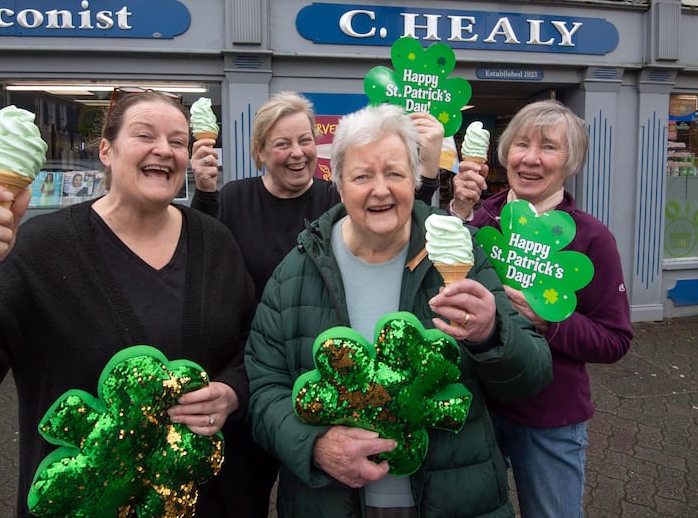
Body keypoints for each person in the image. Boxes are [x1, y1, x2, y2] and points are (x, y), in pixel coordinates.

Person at [0, 91, 259, 517]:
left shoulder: (214, 241)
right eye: (145, 134)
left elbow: (251, 347)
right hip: (78, 502)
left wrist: (233, 391)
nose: (164, 149)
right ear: (106, 150)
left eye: (178, 141)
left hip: (204, 500)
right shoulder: (40, 250)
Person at [244, 103, 554, 517]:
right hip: (330, 502)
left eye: (395, 173)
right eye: (362, 176)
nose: (381, 189)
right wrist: (314, 445)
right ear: (337, 183)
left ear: (415, 178)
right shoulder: (296, 271)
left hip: (455, 500)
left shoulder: (458, 253)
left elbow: (532, 376)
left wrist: (492, 333)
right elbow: (264, 389)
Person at [449, 99, 633, 517]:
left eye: (548, 147)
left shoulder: (591, 238)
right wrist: (459, 210)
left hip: (550, 416)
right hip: (476, 405)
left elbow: (615, 340)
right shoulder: (481, 221)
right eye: (520, 144)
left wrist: (552, 322)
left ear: (571, 161)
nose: (530, 159)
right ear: (505, 153)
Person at [190, 91, 444, 300]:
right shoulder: (235, 198)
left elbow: (398, 219)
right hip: (257, 342)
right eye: (282, 144)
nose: (298, 153)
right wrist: (204, 190)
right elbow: (199, 250)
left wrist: (429, 170)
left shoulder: (338, 197)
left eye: (305, 140)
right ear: (261, 152)